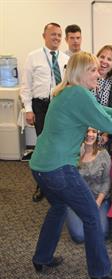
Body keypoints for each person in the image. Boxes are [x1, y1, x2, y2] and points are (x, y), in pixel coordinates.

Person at [29, 51, 112, 279]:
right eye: (92, 70)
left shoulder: (66, 91)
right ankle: (100, 270)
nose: (98, 74)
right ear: (80, 72)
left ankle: (42, 257)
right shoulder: (79, 93)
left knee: (58, 207)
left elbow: (100, 111)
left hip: (40, 166)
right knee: (91, 215)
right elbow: (102, 121)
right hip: (59, 168)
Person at [20, 22, 70, 203]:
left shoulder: (65, 59)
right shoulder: (33, 57)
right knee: (43, 145)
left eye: (58, 35)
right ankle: (41, 183)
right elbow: (26, 85)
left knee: (60, 144)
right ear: (44, 36)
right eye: (52, 34)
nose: (56, 38)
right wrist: (28, 109)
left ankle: (59, 180)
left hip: (60, 106)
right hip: (40, 106)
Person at [65, 128, 111, 243]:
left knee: (102, 233)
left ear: (98, 134)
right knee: (79, 236)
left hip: (98, 199)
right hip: (77, 200)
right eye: (86, 131)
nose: (90, 134)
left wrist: (98, 202)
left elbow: (106, 181)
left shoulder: (104, 154)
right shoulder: (72, 152)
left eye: (93, 132)